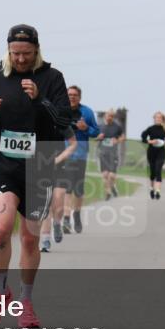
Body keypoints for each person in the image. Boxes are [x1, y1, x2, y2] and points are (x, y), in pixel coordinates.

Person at [0, 24, 75, 328]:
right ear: (8, 50)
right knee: (1, 231)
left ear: (37, 50)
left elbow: (65, 120)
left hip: (39, 166)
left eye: (26, 54)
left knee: (29, 238)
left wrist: (41, 98)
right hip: (4, 166)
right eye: (15, 53)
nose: (20, 59)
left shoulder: (52, 78)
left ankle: (26, 302)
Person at [58, 86, 99, 235]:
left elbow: (96, 132)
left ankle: (77, 214)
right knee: (68, 187)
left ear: (80, 97)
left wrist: (86, 128)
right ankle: (67, 219)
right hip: (65, 154)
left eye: (75, 95)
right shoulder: (61, 111)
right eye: (69, 95)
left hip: (81, 156)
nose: (72, 97)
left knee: (79, 189)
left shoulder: (87, 112)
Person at [95, 109, 125, 201]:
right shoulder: (99, 126)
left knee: (111, 175)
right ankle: (108, 193)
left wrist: (118, 140)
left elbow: (123, 137)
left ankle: (112, 187)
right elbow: (94, 138)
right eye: (108, 116)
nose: (110, 118)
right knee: (105, 174)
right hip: (103, 153)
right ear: (105, 116)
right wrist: (98, 138)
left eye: (112, 116)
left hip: (113, 154)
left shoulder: (117, 127)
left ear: (113, 117)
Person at [140, 111, 165, 200]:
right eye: (156, 117)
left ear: (162, 119)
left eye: (160, 118)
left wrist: (164, 142)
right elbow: (143, 137)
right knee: (153, 172)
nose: (158, 119)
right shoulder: (150, 129)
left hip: (161, 152)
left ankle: (158, 191)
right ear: (154, 119)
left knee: (158, 170)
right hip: (151, 152)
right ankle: (152, 188)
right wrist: (150, 141)